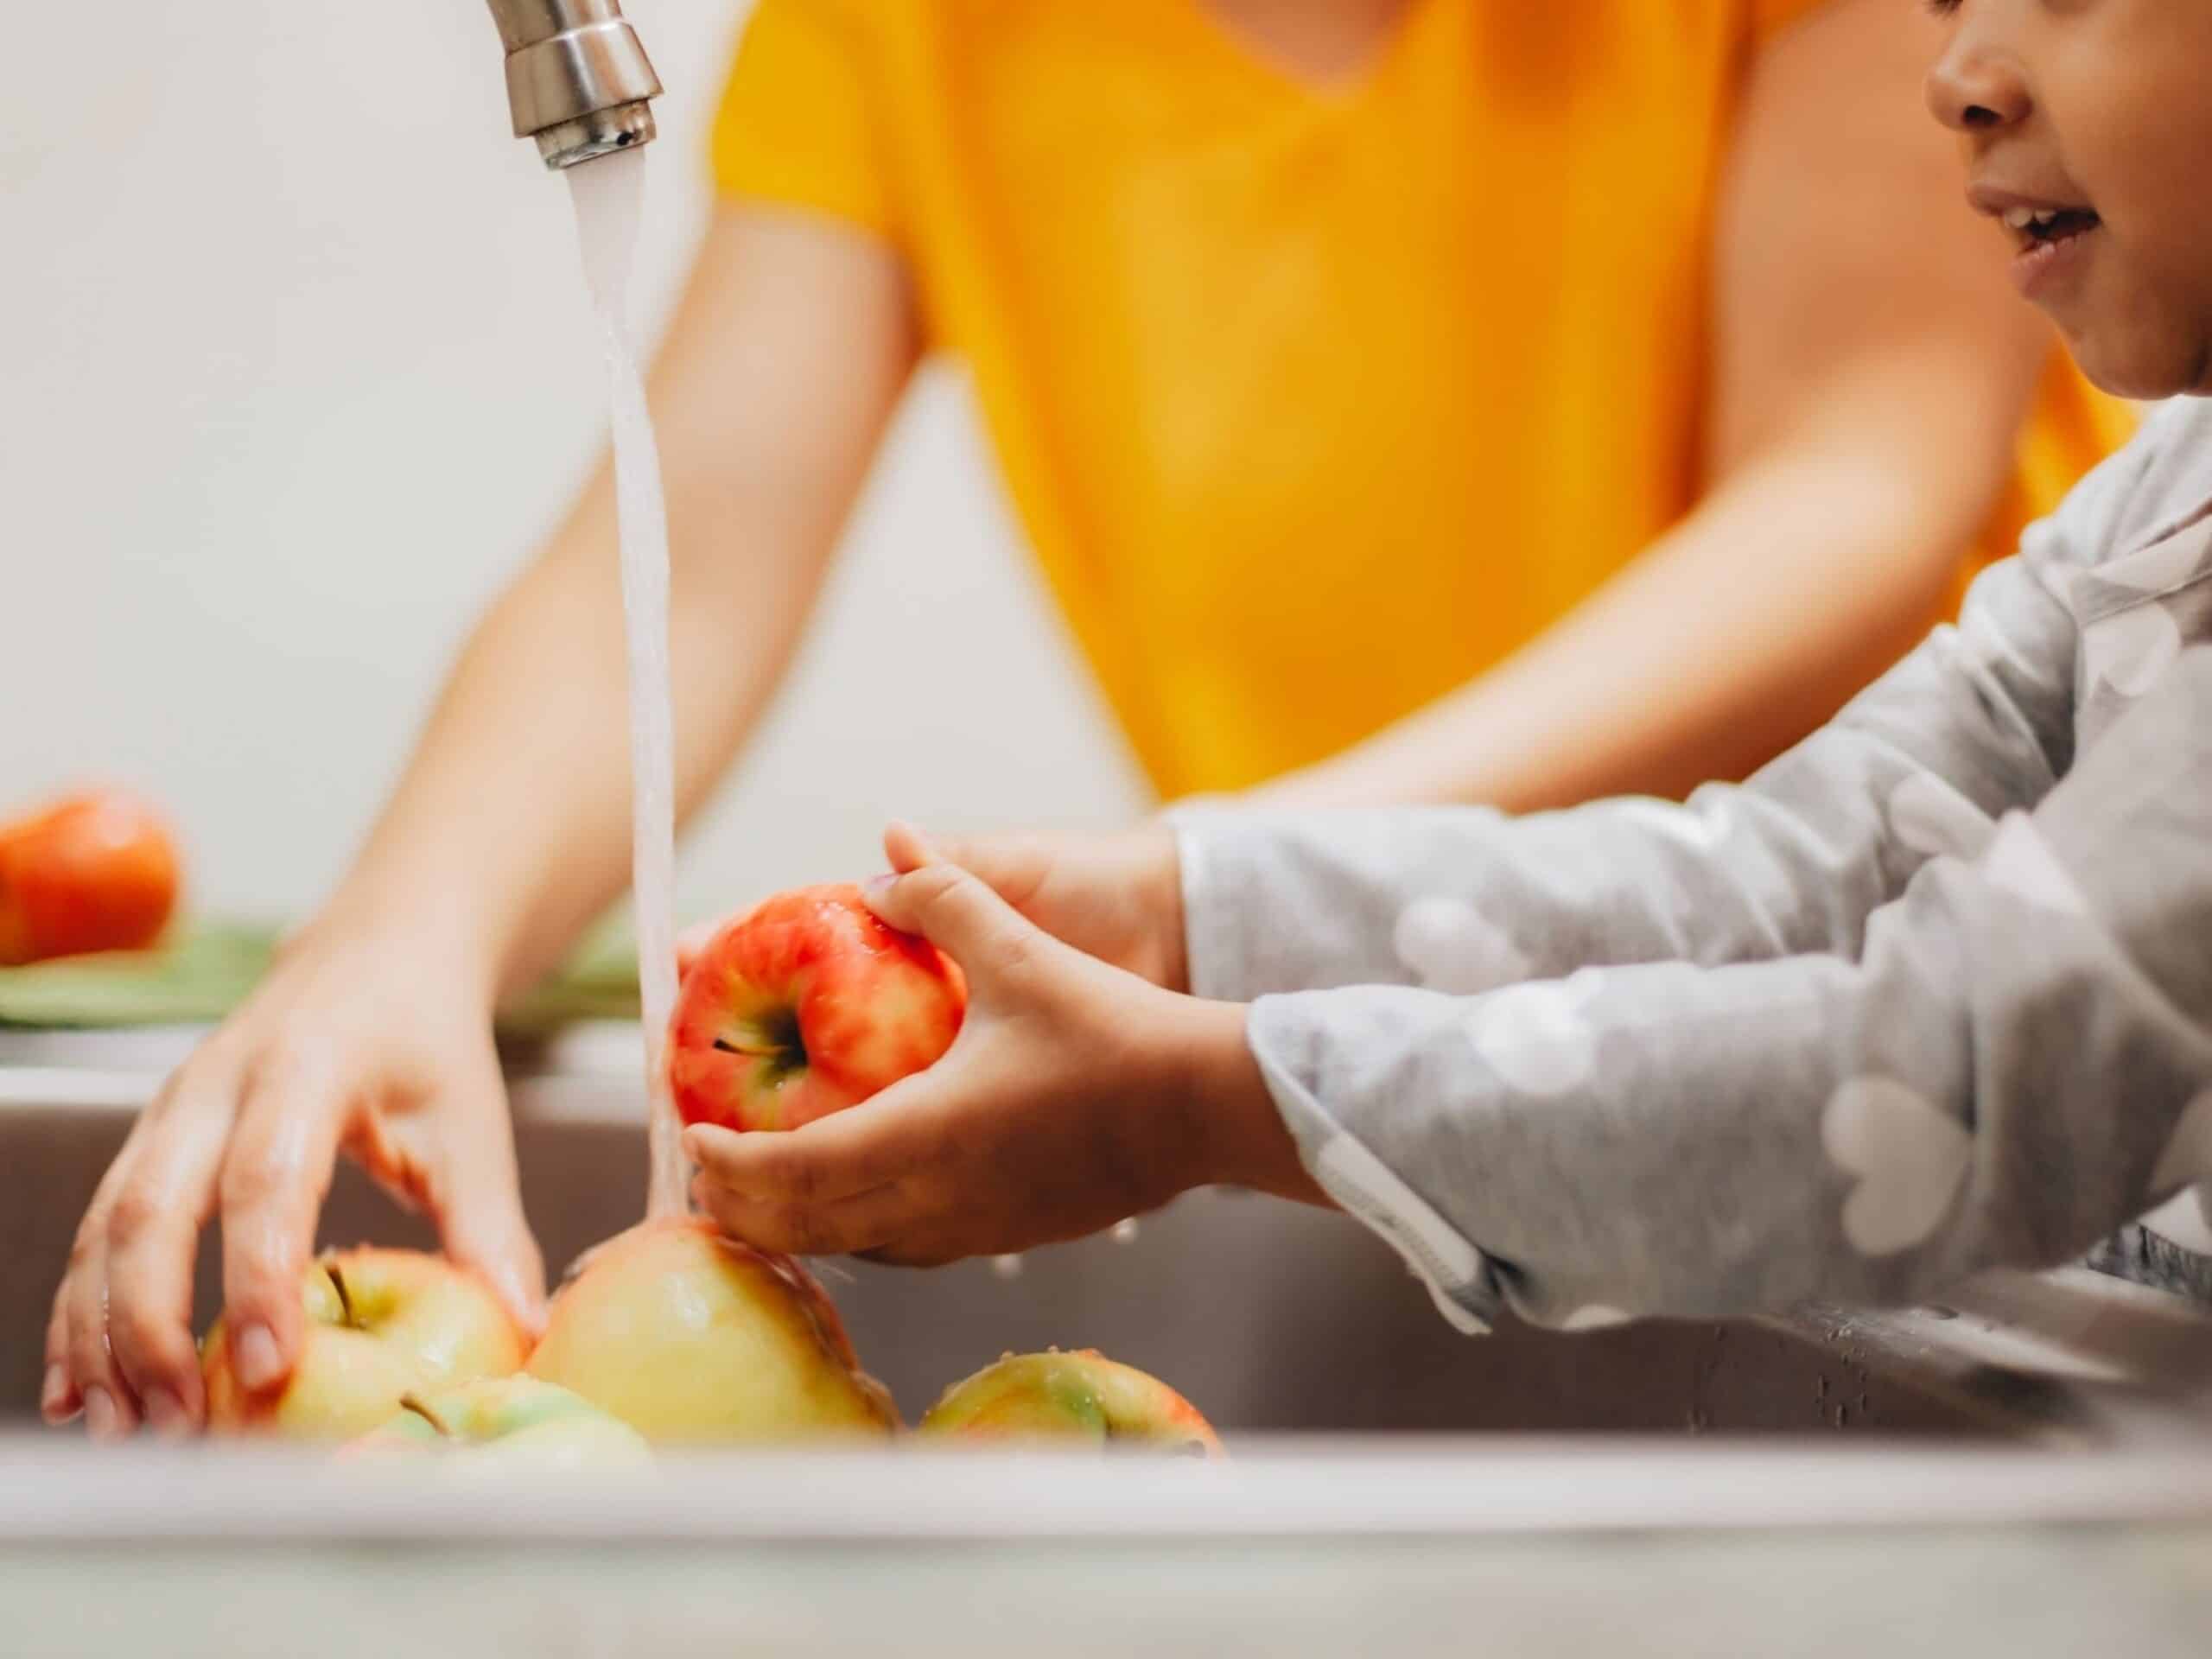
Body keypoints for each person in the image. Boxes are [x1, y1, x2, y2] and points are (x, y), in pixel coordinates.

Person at [44, 0, 2122, 1437]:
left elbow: (1855, 487)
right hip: (1382, 1082)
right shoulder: (920, 26)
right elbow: (682, 558)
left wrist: (1225, 929)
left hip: (1963, 1099)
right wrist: (402, 932)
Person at [677, 0, 2212, 1332]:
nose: (1953, 72)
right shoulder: (2157, 515)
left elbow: (1966, 1060)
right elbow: (1782, 881)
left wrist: (1218, 1098)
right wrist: (1185, 909)